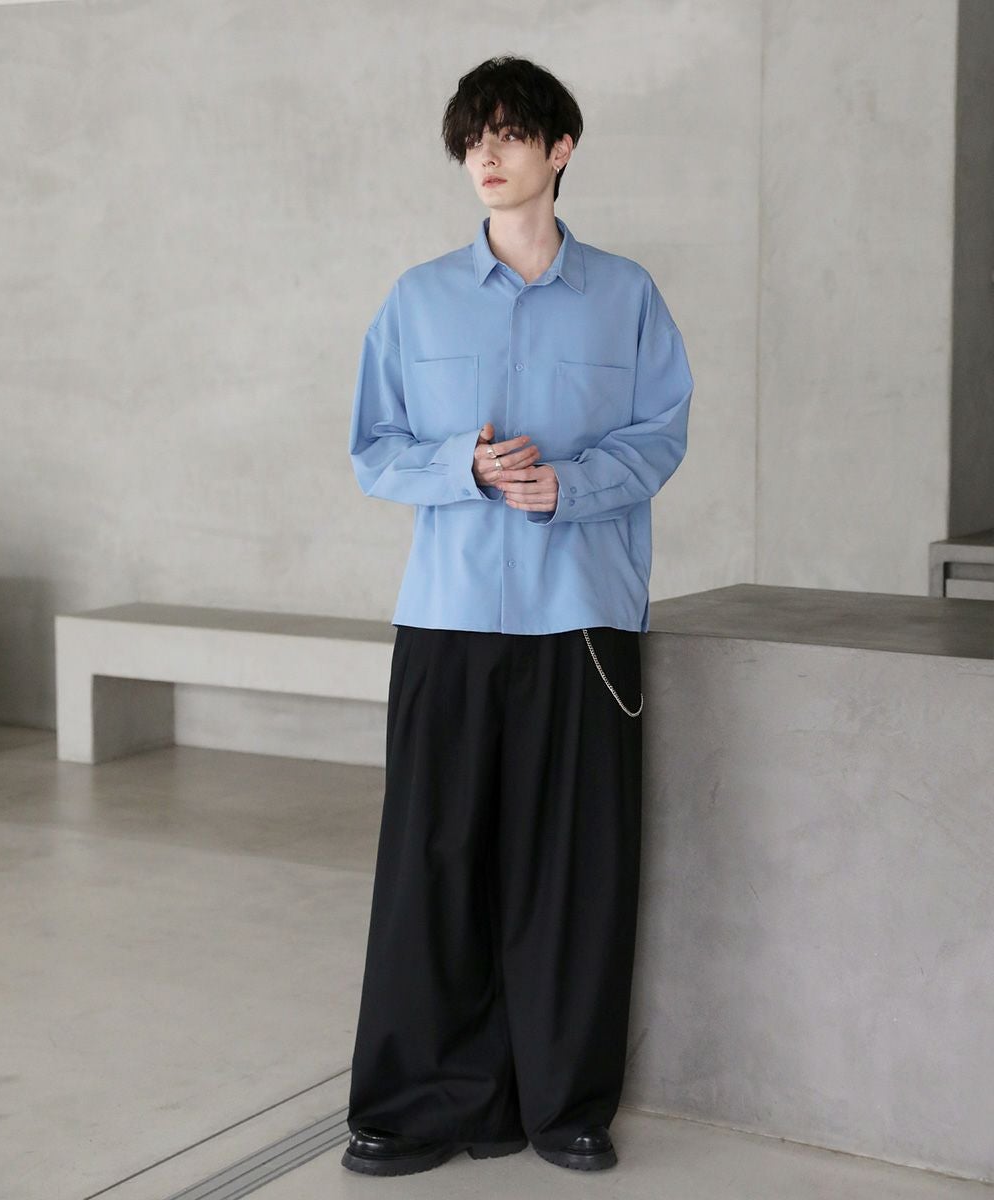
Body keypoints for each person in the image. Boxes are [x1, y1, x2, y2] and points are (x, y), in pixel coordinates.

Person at [342, 54, 693, 1177]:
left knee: (571, 872)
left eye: (506, 136)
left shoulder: (626, 295)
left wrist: (567, 487)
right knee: (432, 864)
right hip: (447, 618)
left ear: (560, 150)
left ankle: (566, 1105)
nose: (484, 157)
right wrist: (465, 466)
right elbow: (374, 449)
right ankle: (418, 1105)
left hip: (581, 621)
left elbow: (660, 434)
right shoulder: (416, 298)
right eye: (471, 140)